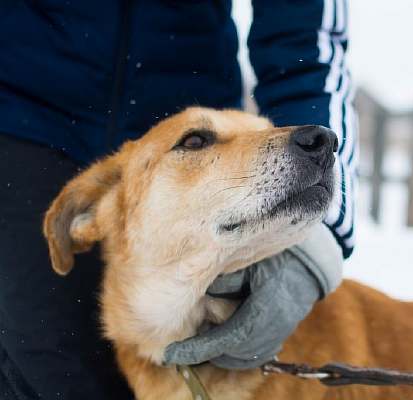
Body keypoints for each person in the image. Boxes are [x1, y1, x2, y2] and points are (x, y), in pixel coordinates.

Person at [0, 1, 357, 398]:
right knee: (48, 357)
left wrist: (317, 244)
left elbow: (306, 33)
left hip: (188, 90)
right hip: (23, 118)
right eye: (199, 141)